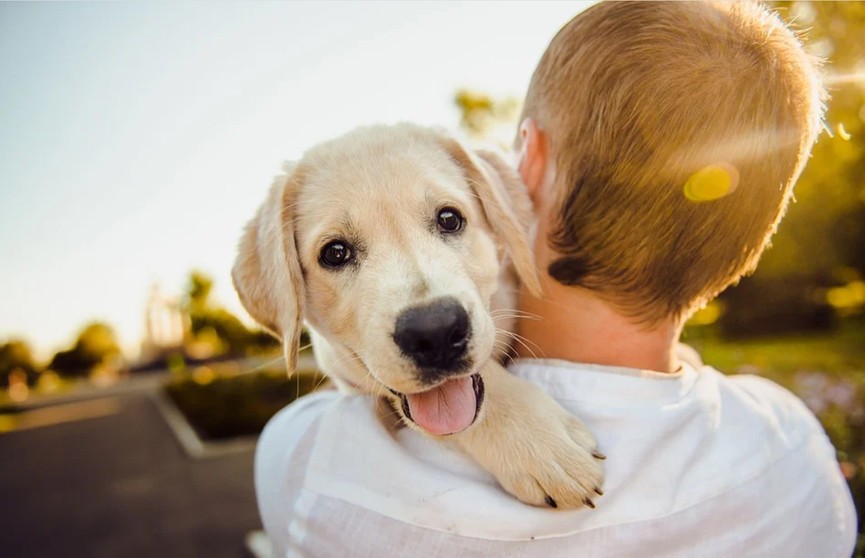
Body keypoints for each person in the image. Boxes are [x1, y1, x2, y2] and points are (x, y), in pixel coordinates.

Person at [255, 2, 856, 556]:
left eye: (447, 220)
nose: (428, 308)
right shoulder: (796, 452)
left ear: (526, 167)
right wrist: (493, 409)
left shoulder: (312, 465)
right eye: (337, 253)